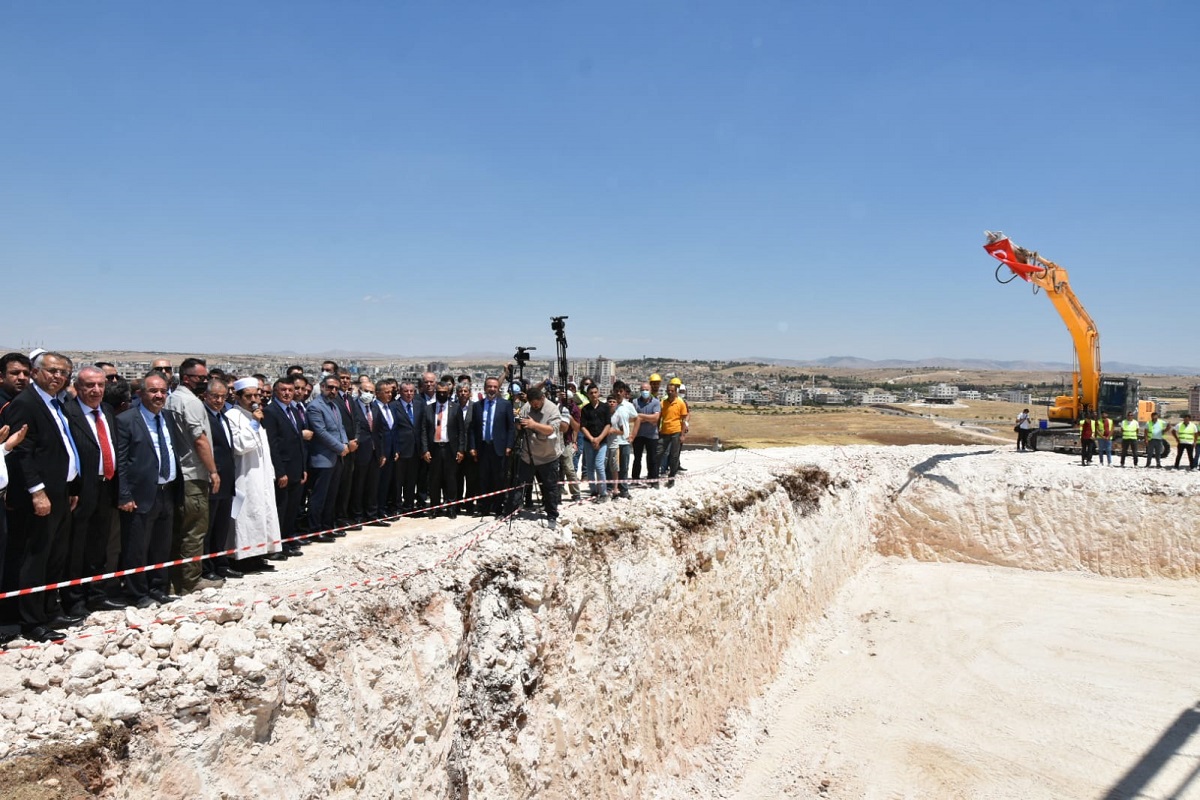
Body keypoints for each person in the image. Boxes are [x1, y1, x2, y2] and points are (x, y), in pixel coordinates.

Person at [3, 352, 84, 641]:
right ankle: (30, 621)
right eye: (51, 371)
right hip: (38, 497)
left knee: (54, 556)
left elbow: (61, 448)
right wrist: (37, 492)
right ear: (35, 372)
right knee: (34, 558)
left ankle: (49, 610)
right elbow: (21, 453)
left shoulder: (56, 403)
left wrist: (71, 487)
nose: (57, 377)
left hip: (61, 493)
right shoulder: (25, 404)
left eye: (63, 372)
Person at [115, 372, 182, 610]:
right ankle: (137, 593)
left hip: (166, 491)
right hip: (140, 495)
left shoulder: (168, 418)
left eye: (163, 391)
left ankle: (158, 587)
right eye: (153, 391)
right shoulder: (126, 420)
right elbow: (121, 462)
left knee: (161, 545)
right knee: (137, 547)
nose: (159, 396)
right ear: (141, 393)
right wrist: (124, 494)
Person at [61, 367, 123, 613]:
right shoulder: (68, 413)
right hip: (80, 489)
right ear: (77, 386)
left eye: (100, 385)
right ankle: (73, 599)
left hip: (106, 486)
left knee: (99, 544)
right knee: (76, 546)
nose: (96, 390)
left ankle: (96, 595)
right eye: (89, 385)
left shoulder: (107, 411)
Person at [164, 358, 220, 594]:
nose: (205, 382)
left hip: (177, 474)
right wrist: (213, 471)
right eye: (201, 378)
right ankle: (190, 581)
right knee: (194, 530)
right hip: (193, 474)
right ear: (187, 378)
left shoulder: (172, 399)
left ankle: (175, 579)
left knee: (179, 530)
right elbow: (199, 440)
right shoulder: (190, 402)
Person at [225, 377, 284, 571]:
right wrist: (254, 424)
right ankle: (242, 559)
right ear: (238, 396)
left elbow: (264, 449)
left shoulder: (257, 415)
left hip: (262, 476)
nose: (253, 399)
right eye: (248, 396)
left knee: (263, 514)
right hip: (245, 476)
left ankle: (259, 555)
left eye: (256, 395)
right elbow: (240, 446)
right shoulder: (233, 416)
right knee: (246, 516)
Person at [262, 377, 307, 555]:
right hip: (283, 471)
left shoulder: (293, 411)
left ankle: (287, 540)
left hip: (296, 469)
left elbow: (299, 442)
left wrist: (303, 467)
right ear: (275, 391)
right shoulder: (271, 412)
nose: (288, 393)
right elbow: (272, 445)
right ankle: (276, 545)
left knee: (292, 509)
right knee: (280, 509)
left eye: (290, 390)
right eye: (284, 390)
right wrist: (280, 472)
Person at [201, 379, 241, 580]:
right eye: (214, 396)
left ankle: (221, 563)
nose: (218, 400)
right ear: (206, 396)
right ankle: (207, 568)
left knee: (222, 526)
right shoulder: (205, 417)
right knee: (209, 527)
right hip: (212, 479)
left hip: (227, 480)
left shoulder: (223, 417)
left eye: (222, 397)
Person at [306, 375, 350, 536]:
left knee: (332, 495)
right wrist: (340, 447)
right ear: (322, 387)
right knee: (319, 496)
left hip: (337, 457)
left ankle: (327, 526)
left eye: (336, 388)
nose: (333, 391)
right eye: (330, 387)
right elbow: (320, 432)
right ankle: (315, 529)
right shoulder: (315, 406)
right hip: (323, 459)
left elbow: (340, 428)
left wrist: (344, 443)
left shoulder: (334, 406)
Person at [515, 386, 563, 529]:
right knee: (519, 484)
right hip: (528, 455)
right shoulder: (526, 407)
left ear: (542, 398)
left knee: (550, 488)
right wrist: (519, 424)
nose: (534, 406)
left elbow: (552, 429)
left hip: (548, 456)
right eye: (532, 403)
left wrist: (534, 424)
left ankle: (552, 516)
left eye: (537, 403)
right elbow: (519, 423)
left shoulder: (552, 408)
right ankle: (511, 511)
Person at [469, 376, 515, 517]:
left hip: (499, 448)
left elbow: (511, 428)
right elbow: (472, 428)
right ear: (485, 388)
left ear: (498, 389)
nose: (492, 389)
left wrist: (509, 445)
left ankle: (499, 508)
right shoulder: (477, 406)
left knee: (499, 479)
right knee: (483, 478)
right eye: (489, 386)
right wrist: (472, 447)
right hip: (483, 447)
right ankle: (483, 507)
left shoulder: (505, 404)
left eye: (495, 387)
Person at [420, 379, 466, 518]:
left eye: (444, 393)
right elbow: (423, 430)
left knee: (451, 479)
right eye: (438, 392)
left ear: (448, 393)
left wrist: (461, 449)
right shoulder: (428, 408)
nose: (441, 395)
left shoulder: (455, 408)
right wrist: (425, 450)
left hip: (450, 449)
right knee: (434, 480)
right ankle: (435, 508)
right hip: (434, 449)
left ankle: (451, 507)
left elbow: (461, 430)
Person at [393, 380, 424, 515]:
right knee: (398, 481)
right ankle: (397, 507)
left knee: (412, 480)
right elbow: (392, 429)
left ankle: (409, 506)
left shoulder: (419, 405)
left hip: (416, 450)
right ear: (400, 392)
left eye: (412, 391)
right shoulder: (394, 406)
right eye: (406, 391)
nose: (409, 394)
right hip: (400, 449)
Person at [578, 384, 611, 501]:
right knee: (590, 467)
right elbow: (582, 427)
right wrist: (592, 439)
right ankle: (593, 491)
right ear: (588, 395)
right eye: (591, 393)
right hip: (588, 441)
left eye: (595, 392)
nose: (593, 395)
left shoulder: (605, 407)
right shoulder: (585, 409)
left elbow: (608, 424)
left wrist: (599, 439)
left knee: (599, 466)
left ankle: (603, 492)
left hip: (602, 442)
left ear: (599, 393)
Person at [657, 377, 689, 488]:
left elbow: (684, 419)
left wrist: (683, 434)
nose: (670, 392)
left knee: (674, 456)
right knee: (658, 453)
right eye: (668, 391)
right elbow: (659, 417)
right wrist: (657, 429)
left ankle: (671, 478)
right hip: (664, 432)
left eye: (672, 391)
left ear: (676, 392)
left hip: (676, 432)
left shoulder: (680, 403)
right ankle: (655, 476)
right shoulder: (663, 402)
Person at [632, 380, 661, 487]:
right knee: (637, 458)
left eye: (647, 390)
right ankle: (635, 479)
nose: (645, 391)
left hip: (652, 435)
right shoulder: (635, 402)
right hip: (638, 434)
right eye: (643, 390)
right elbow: (633, 418)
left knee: (652, 458)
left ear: (650, 390)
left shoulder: (656, 402)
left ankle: (653, 480)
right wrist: (648, 418)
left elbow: (656, 418)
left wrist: (640, 417)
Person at [555, 387, 582, 502]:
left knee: (569, 468)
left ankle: (576, 493)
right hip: (555, 441)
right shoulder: (556, 406)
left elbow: (576, 427)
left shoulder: (574, 409)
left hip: (566, 441)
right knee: (556, 469)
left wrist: (568, 416)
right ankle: (557, 493)